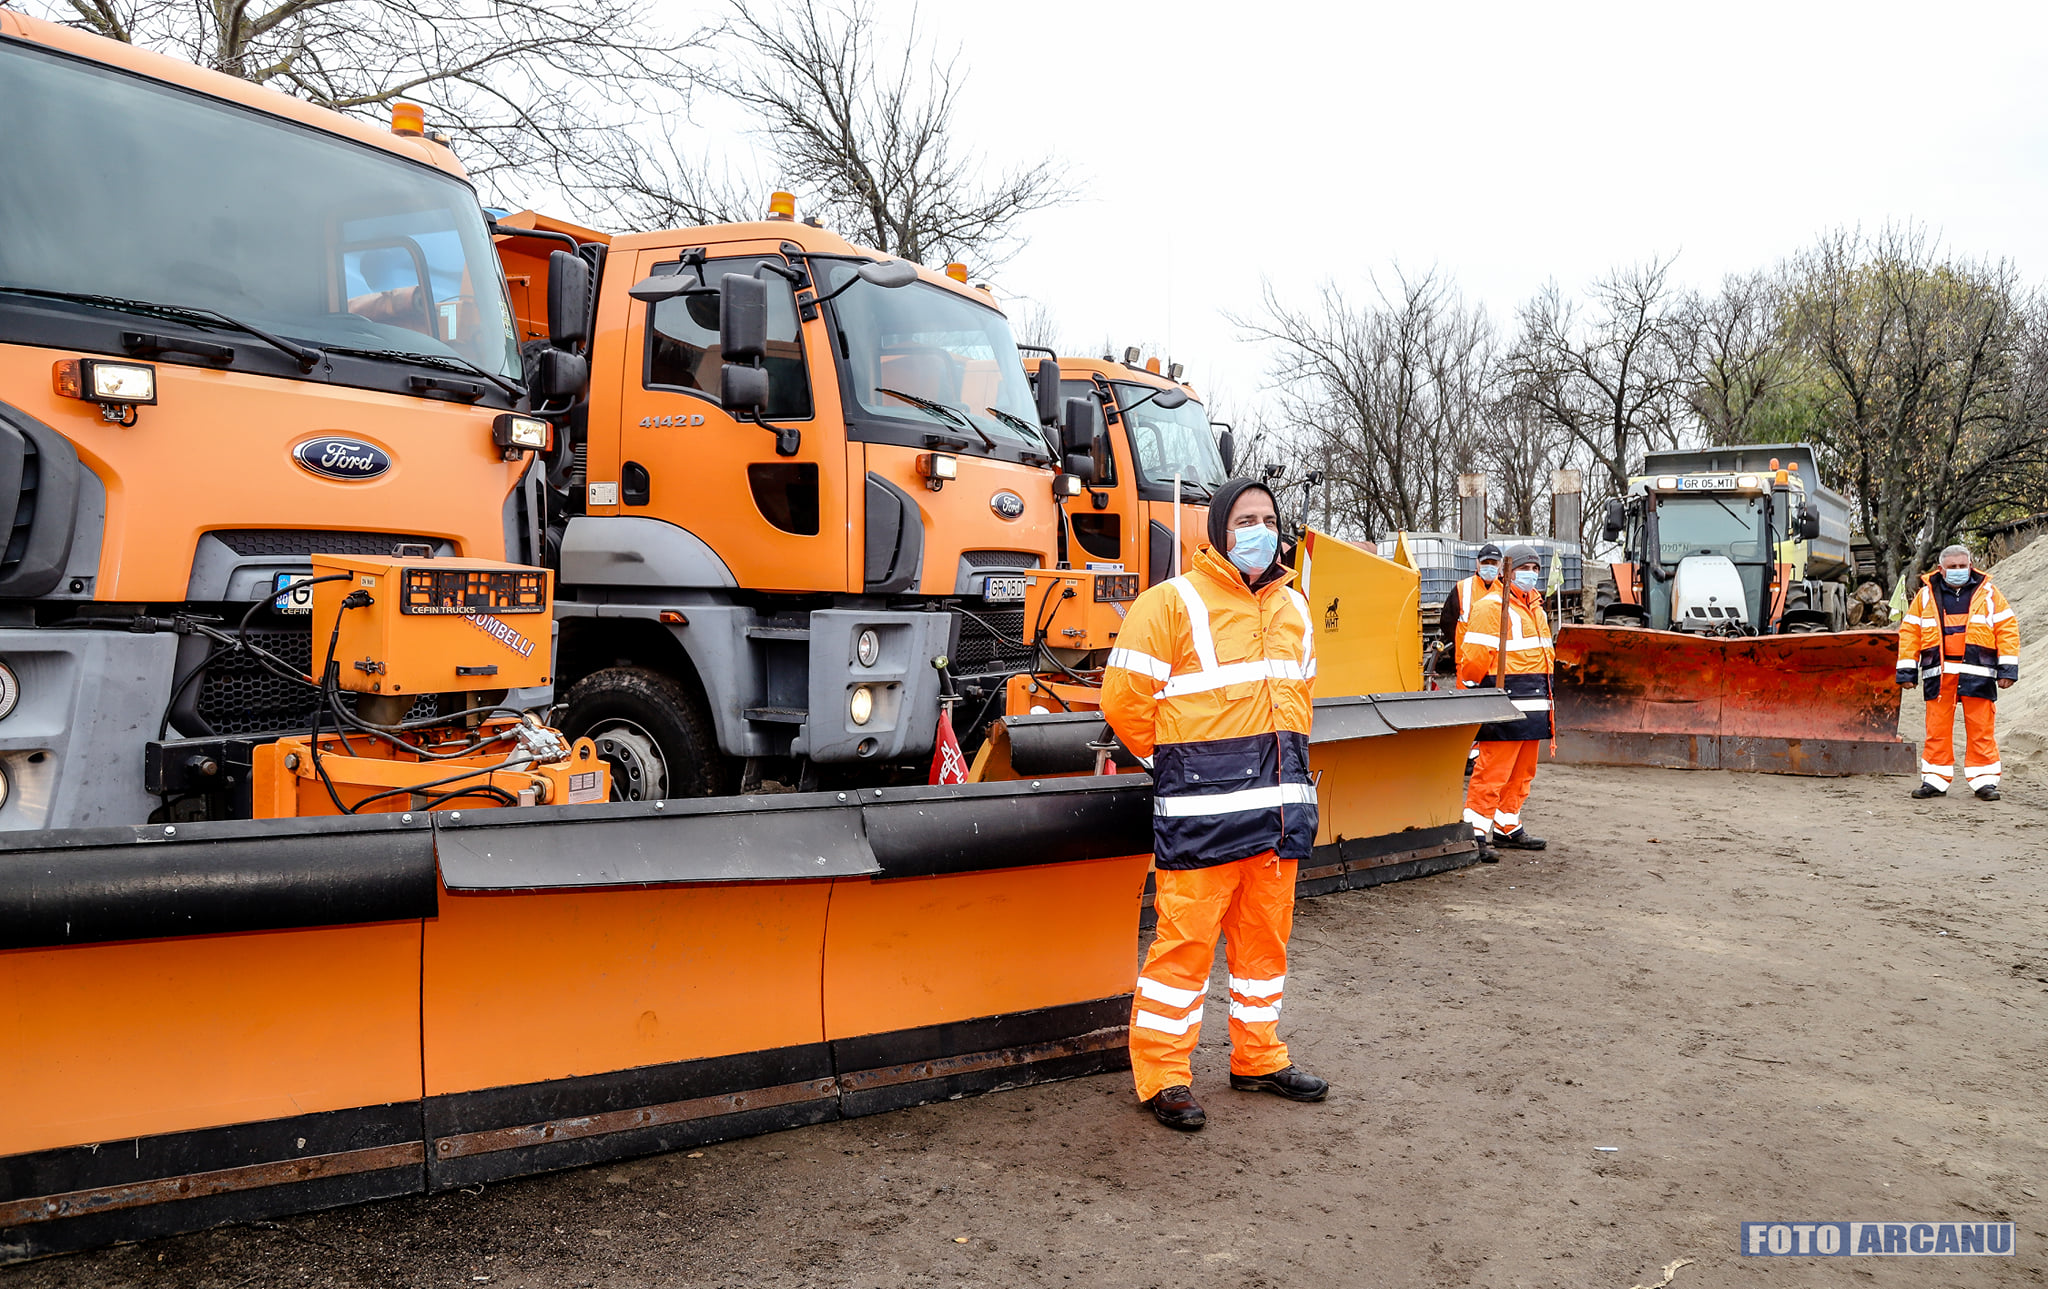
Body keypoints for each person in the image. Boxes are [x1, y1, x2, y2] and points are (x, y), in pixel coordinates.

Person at [1101, 478, 1327, 1132]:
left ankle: (1258, 1057)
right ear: (1220, 530)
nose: (1260, 530)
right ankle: (1164, 1075)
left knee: (1264, 949)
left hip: (1277, 817)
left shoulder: (1294, 607)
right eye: (1245, 519)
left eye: (1269, 519)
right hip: (1203, 820)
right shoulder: (1170, 603)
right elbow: (1123, 700)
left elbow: (1301, 699)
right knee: (1184, 948)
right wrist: (1180, 767)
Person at [1898, 544, 2019, 800]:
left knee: (1981, 729)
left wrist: (2007, 669)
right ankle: (1934, 780)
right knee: (1937, 730)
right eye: (1952, 567)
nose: (1958, 570)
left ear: (1971, 566)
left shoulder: (1989, 593)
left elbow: (2007, 630)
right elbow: (1910, 633)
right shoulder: (1925, 596)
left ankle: (1985, 781)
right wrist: (1907, 671)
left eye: (1962, 566)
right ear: (1940, 569)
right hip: (1939, 673)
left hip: (1979, 672)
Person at [1457, 545, 1554, 860]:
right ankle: (1475, 832)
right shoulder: (1491, 607)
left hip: (1534, 703)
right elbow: (1474, 658)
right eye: (1525, 568)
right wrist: (1475, 688)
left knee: (1522, 773)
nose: (1531, 574)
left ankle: (1507, 825)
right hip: (1506, 702)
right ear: (1508, 572)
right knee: (1492, 772)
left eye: (1536, 569)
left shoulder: (1536, 608)